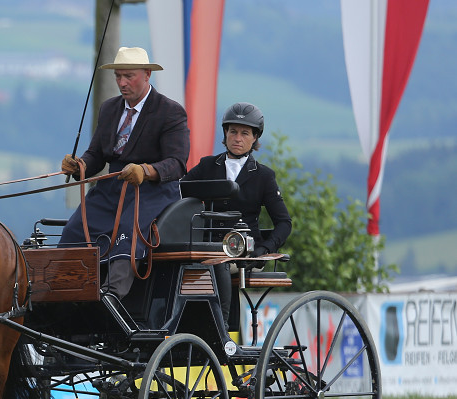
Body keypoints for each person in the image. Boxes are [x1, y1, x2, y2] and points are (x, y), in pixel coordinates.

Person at [60, 46, 189, 298]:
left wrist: (146, 170)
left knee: (127, 230)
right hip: (113, 187)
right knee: (74, 228)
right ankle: (65, 290)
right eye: (118, 76)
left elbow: (177, 163)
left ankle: (112, 296)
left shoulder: (170, 111)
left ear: (147, 75)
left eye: (128, 76)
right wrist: (80, 166)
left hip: (154, 191)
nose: (122, 82)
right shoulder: (109, 108)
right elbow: (96, 154)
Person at [181, 102, 292, 329]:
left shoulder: (263, 176)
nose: (237, 138)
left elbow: (284, 223)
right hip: (206, 245)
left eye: (244, 133)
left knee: (218, 262)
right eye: (233, 131)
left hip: (244, 250)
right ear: (225, 133)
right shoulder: (207, 166)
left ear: (254, 138)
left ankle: (221, 327)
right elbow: (179, 192)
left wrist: (265, 249)